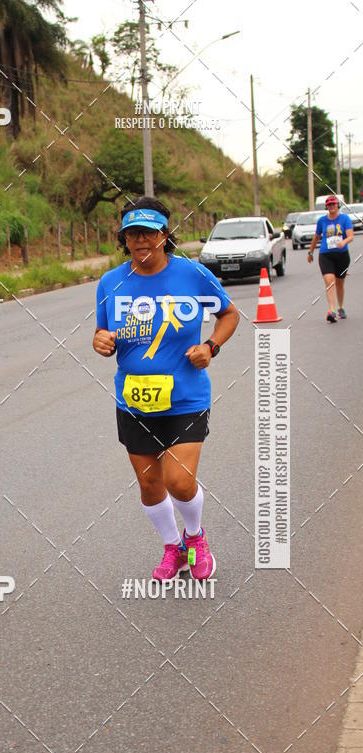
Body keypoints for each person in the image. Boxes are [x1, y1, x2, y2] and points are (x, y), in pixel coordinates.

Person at [93, 197, 239, 581]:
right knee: (149, 484)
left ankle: (196, 538)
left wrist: (211, 347)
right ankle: (172, 547)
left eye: (149, 232)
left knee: (179, 481)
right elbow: (103, 333)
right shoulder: (111, 283)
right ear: (123, 239)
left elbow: (229, 313)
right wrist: (101, 342)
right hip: (134, 400)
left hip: (186, 398)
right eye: (132, 234)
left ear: (164, 235)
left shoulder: (192, 275)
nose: (141, 240)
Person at [308, 196, 354, 322]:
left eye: (333, 204)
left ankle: (340, 307)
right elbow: (316, 237)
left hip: (342, 256)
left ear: (337, 205)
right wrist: (310, 252)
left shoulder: (345, 219)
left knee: (340, 283)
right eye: (329, 205)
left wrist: (344, 242)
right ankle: (332, 311)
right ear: (326, 207)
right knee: (329, 281)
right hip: (325, 254)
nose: (331, 207)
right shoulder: (322, 221)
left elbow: (351, 236)